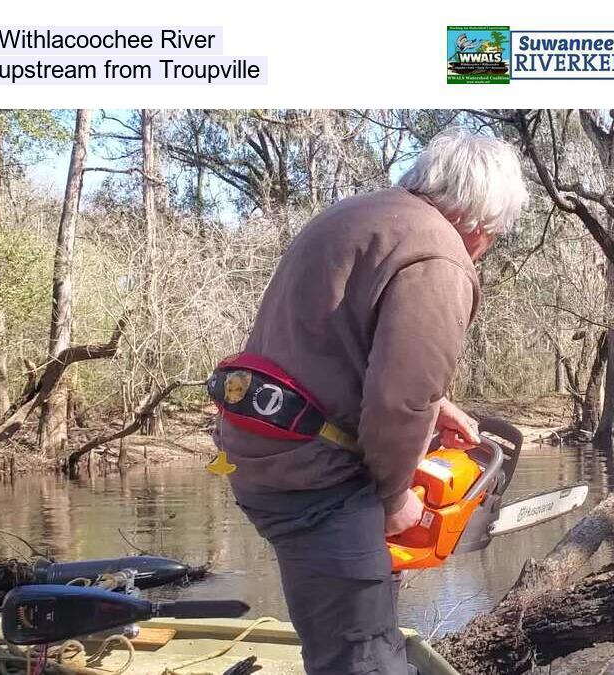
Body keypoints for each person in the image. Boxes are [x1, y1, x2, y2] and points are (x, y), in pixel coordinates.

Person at [213, 130, 529, 674]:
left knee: (355, 634)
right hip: (316, 476)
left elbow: (335, 346)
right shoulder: (439, 255)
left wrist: (440, 405)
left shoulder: (359, 217)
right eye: (493, 234)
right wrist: (394, 496)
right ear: (481, 223)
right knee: (359, 658)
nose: (485, 246)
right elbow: (401, 401)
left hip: (265, 453)